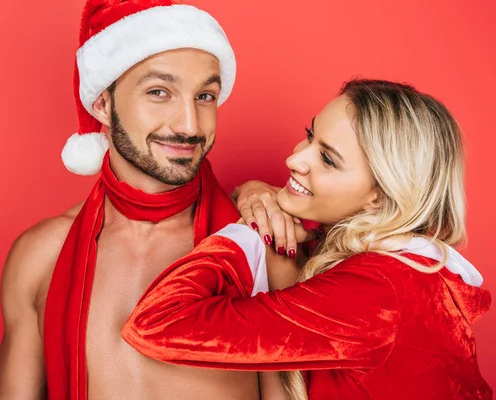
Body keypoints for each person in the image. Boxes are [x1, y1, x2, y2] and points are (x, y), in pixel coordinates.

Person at [122, 79, 493, 399]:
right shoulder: (403, 273)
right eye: (310, 136)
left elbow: (156, 323)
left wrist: (246, 234)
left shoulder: (380, 291)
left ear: (381, 194)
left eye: (328, 159)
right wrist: (253, 194)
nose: (294, 160)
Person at [0, 0, 271, 399]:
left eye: (205, 96)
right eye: (159, 92)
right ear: (103, 105)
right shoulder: (41, 255)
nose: (189, 125)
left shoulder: (258, 242)